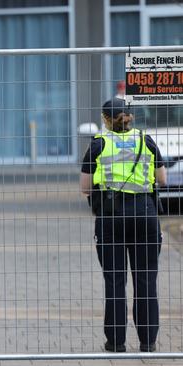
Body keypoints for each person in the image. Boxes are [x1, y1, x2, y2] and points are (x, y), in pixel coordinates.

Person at [80, 97, 166, 353]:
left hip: (111, 216)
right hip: (145, 214)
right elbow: (161, 178)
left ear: (106, 120)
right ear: (131, 117)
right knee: (146, 279)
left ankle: (116, 343)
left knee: (115, 281)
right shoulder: (146, 140)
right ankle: (148, 342)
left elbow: (84, 188)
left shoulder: (98, 144)